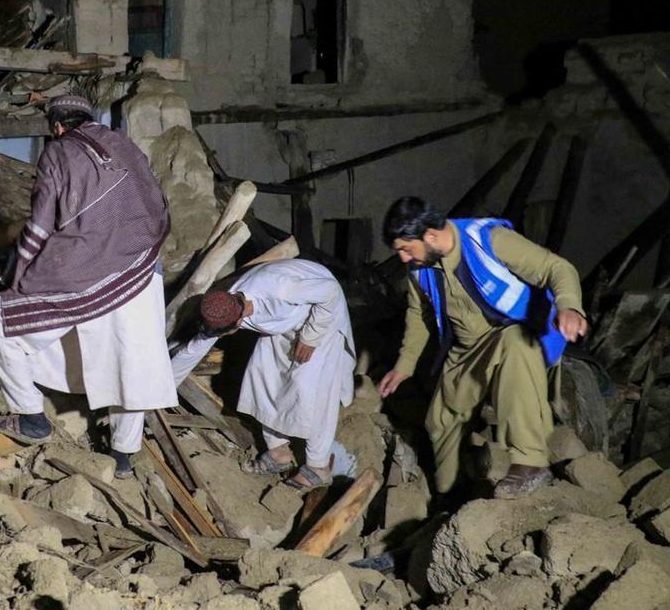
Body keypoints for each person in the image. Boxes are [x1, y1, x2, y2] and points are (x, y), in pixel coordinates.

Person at [0, 94, 175, 477]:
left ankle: (31, 417)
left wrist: (17, 272)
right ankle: (123, 456)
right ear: (89, 117)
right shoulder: (126, 145)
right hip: (143, 267)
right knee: (132, 361)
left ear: (56, 126)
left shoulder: (58, 153)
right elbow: (158, 201)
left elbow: (40, 224)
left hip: (87, 267)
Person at [377, 197, 589, 499]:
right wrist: (404, 366)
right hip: (465, 349)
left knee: (516, 345)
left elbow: (556, 267)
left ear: (431, 236)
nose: (402, 257)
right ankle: (450, 497)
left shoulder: (487, 239)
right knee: (439, 419)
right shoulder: (419, 267)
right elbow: (419, 315)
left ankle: (529, 463)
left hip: (510, 332)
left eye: (405, 248)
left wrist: (570, 306)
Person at [171, 260, 355, 491]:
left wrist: (311, 337)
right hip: (282, 325)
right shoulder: (223, 307)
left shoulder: (280, 288)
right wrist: (163, 392)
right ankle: (278, 451)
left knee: (310, 389)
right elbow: (192, 351)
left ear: (238, 323)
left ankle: (318, 466)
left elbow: (330, 291)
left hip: (320, 318)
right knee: (261, 378)